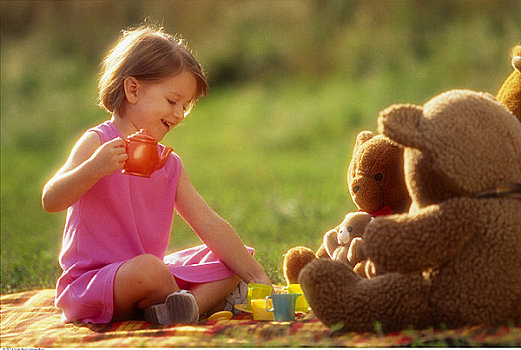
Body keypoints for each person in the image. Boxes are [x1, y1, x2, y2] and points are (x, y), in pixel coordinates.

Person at [41, 25, 272, 325]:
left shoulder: (169, 164)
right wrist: (93, 169)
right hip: (94, 285)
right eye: (172, 101)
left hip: (151, 280)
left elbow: (207, 221)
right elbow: (51, 199)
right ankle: (187, 302)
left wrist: (256, 274)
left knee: (234, 260)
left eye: (185, 107)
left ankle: (185, 306)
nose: (178, 114)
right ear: (133, 90)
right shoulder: (98, 142)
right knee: (150, 270)